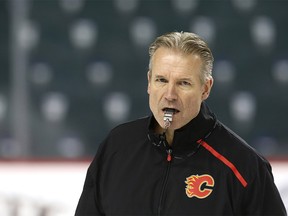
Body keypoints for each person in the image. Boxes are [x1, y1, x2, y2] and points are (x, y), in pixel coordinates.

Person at [75, 31, 287, 215]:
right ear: (149, 82)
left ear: (205, 88)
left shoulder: (244, 167)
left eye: (183, 83)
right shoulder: (117, 146)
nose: (169, 94)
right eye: (161, 80)